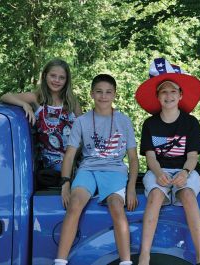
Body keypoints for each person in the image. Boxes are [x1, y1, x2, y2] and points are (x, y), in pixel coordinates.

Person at [53, 74, 139, 265]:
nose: (103, 96)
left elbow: (133, 158)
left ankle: (126, 262)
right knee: (75, 203)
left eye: (108, 92)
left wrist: (131, 187)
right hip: (89, 169)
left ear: (115, 95)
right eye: (99, 92)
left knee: (117, 206)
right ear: (92, 94)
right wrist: (65, 184)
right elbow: (70, 155)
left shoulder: (123, 121)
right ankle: (60, 261)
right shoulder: (82, 121)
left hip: (115, 170)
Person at [135, 58, 200, 265]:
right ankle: (144, 255)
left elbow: (193, 156)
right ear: (158, 97)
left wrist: (185, 172)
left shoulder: (191, 122)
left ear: (180, 95)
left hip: (185, 170)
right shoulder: (150, 124)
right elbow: (150, 157)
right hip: (159, 170)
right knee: (155, 196)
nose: (169, 95)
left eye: (173, 91)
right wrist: (158, 174)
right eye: (164, 92)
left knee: (188, 196)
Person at [1, 58, 82, 185]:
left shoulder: (72, 102)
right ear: (45, 76)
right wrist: (24, 104)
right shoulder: (36, 98)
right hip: (53, 161)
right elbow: (5, 96)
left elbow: (81, 134)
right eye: (53, 76)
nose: (57, 80)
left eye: (62, 78)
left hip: (74, 158)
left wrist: (74, 159)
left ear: (66, 81)